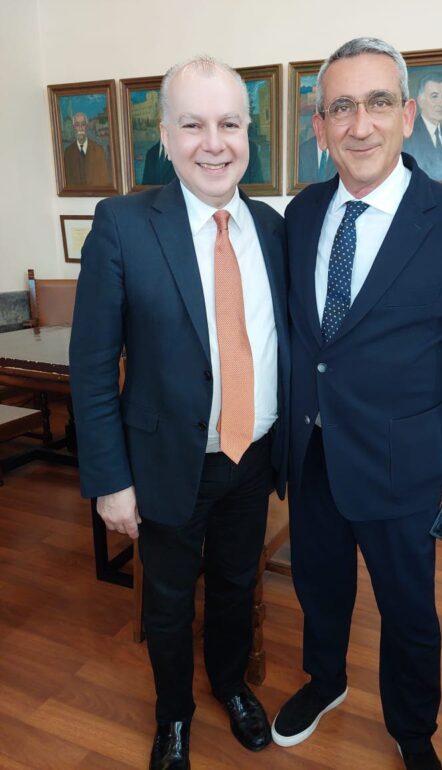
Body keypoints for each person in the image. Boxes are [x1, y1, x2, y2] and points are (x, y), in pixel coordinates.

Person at [271, 38, 442, 770]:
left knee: (407, 611)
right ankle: (326, 680)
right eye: (341, 107)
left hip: (403, 465)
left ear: (405, 115)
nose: (359, 124)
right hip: (313, 453)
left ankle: (413, 729)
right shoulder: (301, 214)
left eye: (376, 103)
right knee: (319, 586)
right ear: (320, 127)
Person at [69, 56, 290, 770]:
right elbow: (92, 366)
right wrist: (110, 480)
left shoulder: (273, 228)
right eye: (193, 125)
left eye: (229, 123)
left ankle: (230, 684)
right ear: (165, 136)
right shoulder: (123, 224)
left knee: (235, 586)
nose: (213, 143)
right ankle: (173, 716)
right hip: (166, 464)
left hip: (253, 458)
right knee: (166, 602)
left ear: (249, 133)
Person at [63, 111, 111, 187]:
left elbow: (104, 180)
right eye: (77, 125)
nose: (80, 128)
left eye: (83, 124)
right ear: (73, 127)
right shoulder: (68, 153)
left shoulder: (98, 150)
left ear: (87, 127)